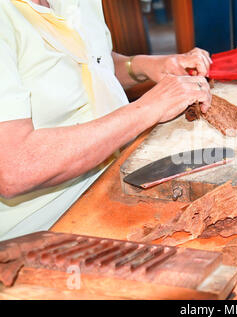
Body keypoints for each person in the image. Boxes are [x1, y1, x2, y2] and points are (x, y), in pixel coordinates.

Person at [0, 0, 212, 240]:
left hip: (117, 175)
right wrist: (148, 108)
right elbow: (14, 168)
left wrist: (142, 65)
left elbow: (90, 62)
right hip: (44, 228)